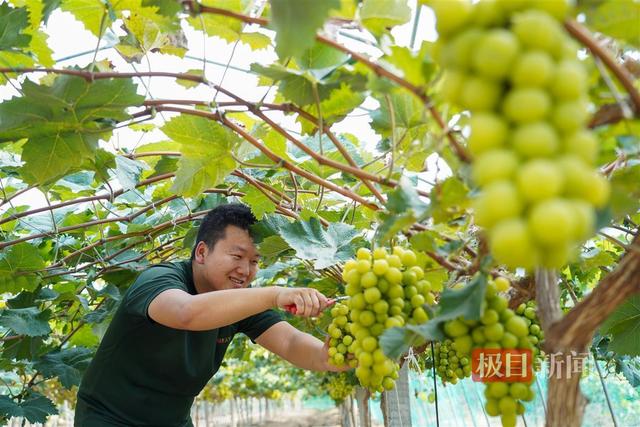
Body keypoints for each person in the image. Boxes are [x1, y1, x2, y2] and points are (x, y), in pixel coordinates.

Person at [74, 203, 346, 426]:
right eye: (237, 256)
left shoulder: (239, 302)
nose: (246, 270)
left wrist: (328, 357)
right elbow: (186, 313)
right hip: (109, 419)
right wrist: (275, 294)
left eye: (254, 261)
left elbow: (290, 342)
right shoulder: (159, 279)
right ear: (202, 252)